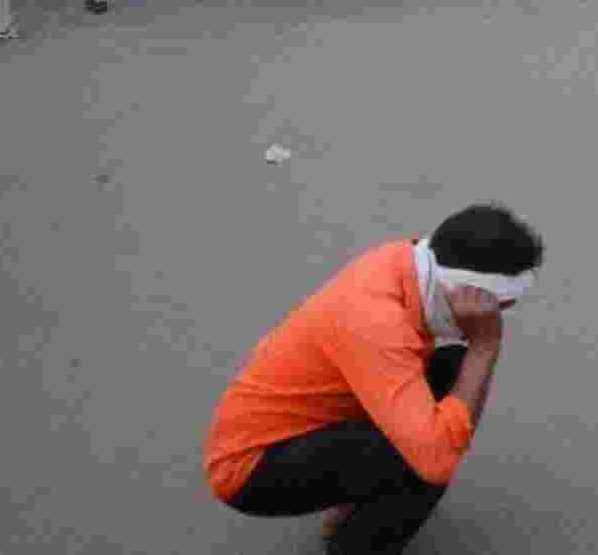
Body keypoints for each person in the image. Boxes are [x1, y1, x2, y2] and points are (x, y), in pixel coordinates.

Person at [205, 204, 544, 553]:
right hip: (250, 466)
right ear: (464, 290)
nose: (499, 315)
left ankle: (354, 506)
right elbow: (436, 460)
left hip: (314, 420)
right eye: (501, 304)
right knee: (421, 461)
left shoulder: (404, 262)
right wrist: (485, 346)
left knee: (453, 370)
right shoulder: (376, 321)